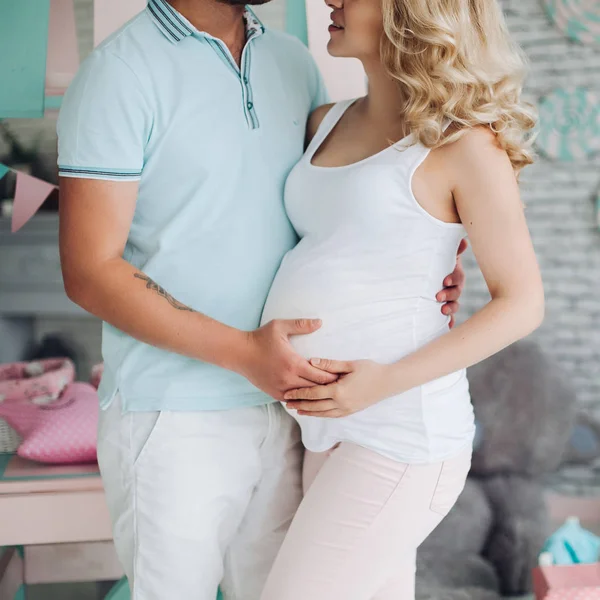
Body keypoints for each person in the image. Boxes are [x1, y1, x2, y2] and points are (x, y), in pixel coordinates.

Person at [56, 0, 465, 598]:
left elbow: (330, 206)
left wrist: (430, 257)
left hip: (291, 412)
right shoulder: (119, 73)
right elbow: (89, 270)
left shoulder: (292, 63)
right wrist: (246, 353)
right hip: (174, 412)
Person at [258, 0, 544, 598]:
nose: (330, 1)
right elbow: (351, 245)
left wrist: (380, 383)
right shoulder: (323, 124)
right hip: (327, 424)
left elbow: (521, 303)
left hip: (399, 430)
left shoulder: (465, 146)